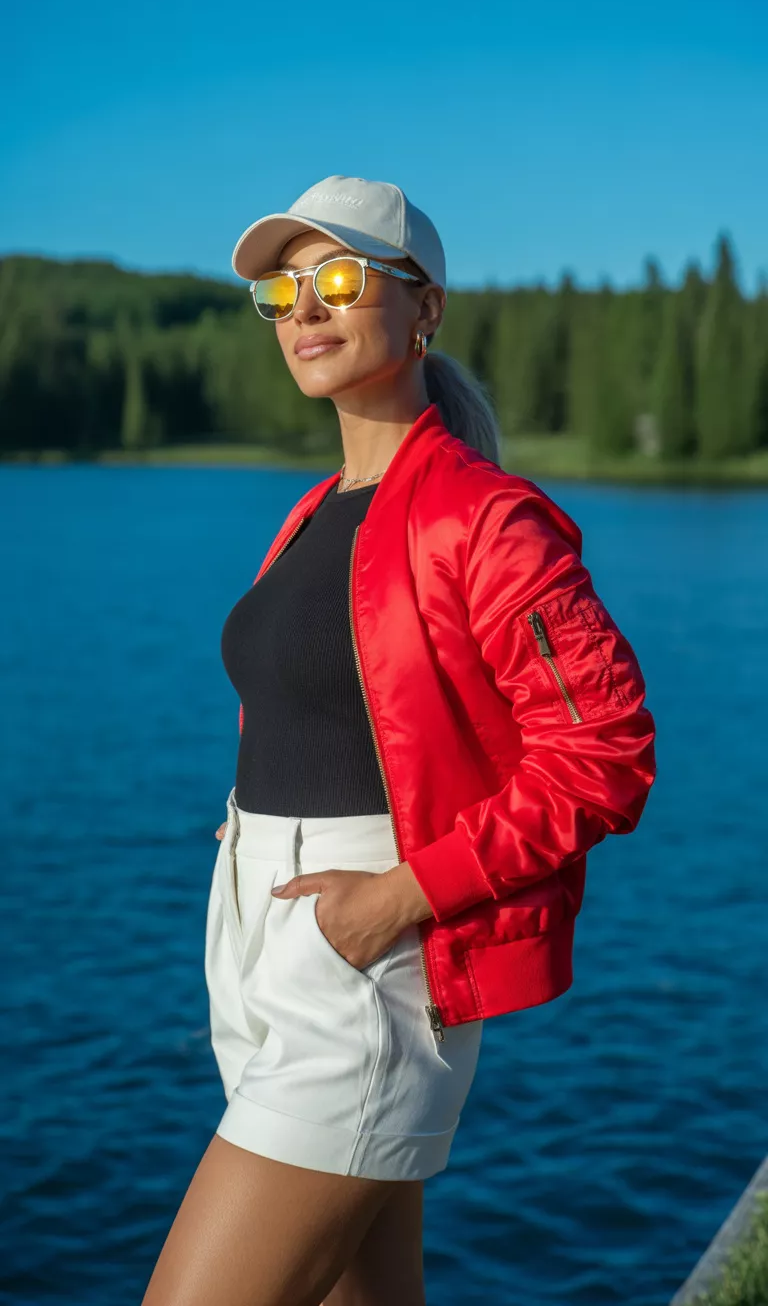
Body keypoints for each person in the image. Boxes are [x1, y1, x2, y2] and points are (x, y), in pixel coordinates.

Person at [142, 175, 656, 1306]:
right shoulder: (312, 513)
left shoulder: (485, 519)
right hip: (259, 949)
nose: (303, 311)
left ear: (423, 308)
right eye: (280, 292)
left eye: (337, 279)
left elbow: (603, 752)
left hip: (367, 963)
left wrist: (396, 899)